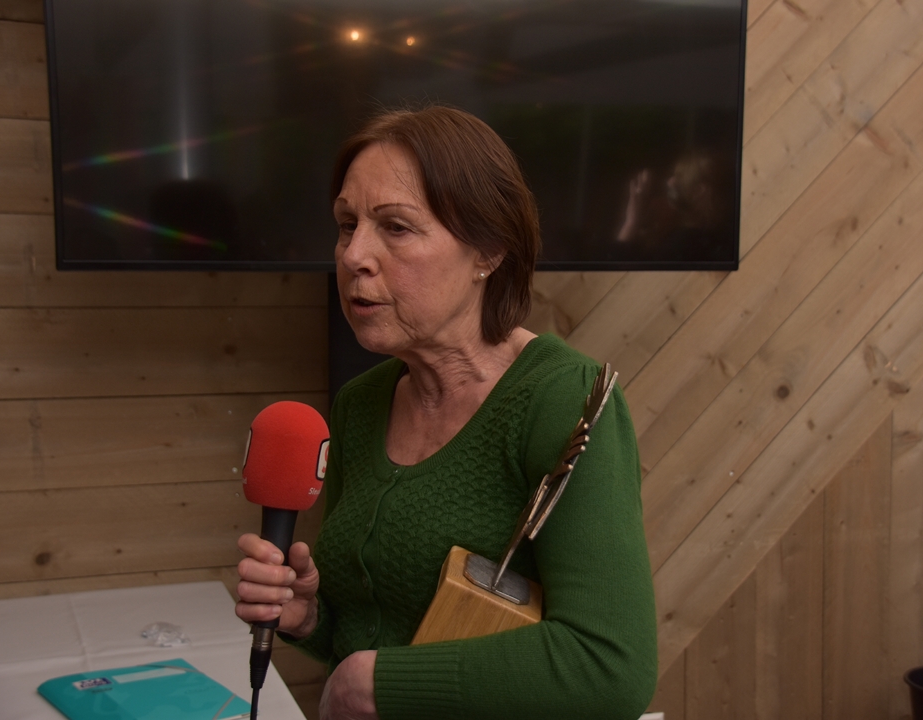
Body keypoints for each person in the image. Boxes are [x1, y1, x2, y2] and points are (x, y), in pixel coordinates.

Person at [235, 105, 657, 720]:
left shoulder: (565, 399)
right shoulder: (359, 405)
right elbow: (372, 626)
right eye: (347, 225)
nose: (354, 255)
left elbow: (610, 668)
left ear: (488, 250)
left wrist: (379, 684)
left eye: (396, 227)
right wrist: (309, 617)